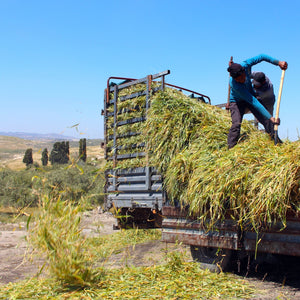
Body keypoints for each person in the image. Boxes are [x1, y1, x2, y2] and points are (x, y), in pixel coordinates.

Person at [226, 54, 288, 149]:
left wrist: (278, 62)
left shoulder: (246, 65)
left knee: (267, 120)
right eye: (238, 80)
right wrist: (271, 117)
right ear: (234, 79)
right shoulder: (235, 85)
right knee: (236, 124)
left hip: (251, 95)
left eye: (242, 78)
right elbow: (253, 101)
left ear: (244, 71)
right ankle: (230, 148)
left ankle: (277, 143)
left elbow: (262, 56)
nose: (242, 81)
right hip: (237, 102)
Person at [251, 71, 276, 136]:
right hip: (258, 97)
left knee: (268, 120)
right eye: (255, 83)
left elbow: (256, 102)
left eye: (257, 85)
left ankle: (271, 135)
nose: (255, 86)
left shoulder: (267, 91)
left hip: (268, 102)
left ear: (263, 82)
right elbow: (246, 72)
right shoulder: (258, 75)